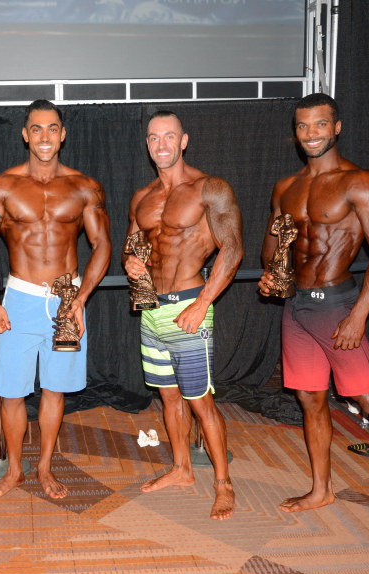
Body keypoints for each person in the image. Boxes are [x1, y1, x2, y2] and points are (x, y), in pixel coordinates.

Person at [257, 93, 369, 543]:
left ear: (336, 128)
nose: (311, 134)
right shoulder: (285, 187)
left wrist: (359, 315)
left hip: (338, 305)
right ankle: (321, 489)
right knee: (310, 399)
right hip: (297, 307)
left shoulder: (361, 182)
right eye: (302, 126)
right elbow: (272, 250)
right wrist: (273, 273)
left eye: (320, 124)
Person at [0, 99, 111, 500]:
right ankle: (15, 469)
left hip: (67, 300)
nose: (44, 136)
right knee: (11, 392)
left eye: (52, 128)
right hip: (19, 299)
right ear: (25, 134)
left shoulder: (84, 187)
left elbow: (102, 244)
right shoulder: (1, 186)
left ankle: (46, 466)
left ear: (62, 134)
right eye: (36, 128)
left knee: (54, 389)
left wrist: (81, 298)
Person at [123, 110, 243, 520]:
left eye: (169, 136)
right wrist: (131, 263)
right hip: (152, 312)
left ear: (184, 140)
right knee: (168, 396)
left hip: (190, 306)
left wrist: (202, 303)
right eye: (154, 138)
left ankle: (224, 484)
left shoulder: (210, 188)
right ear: (147, 144)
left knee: (200, 401)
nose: (161, 145)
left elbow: (233, 249)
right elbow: (131, 246)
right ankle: (181, 469)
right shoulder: (142, 197)